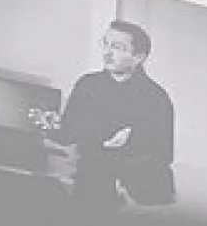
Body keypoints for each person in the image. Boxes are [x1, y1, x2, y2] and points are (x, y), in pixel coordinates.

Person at [45, 20, 176, 209]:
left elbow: (165, 156)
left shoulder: (157, 99)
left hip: (135, 197)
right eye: (105, 44)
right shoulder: (87, 85)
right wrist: (53, 127)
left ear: (139, 57)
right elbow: (68, 135)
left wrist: (133, 139)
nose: (107, 52)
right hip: (89, 185)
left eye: (117, 47)